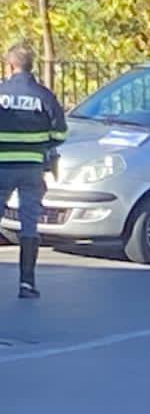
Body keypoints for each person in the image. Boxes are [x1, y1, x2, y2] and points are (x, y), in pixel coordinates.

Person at [0, 42, 67, 298]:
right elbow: (60, 132)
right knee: (29, 224)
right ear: (31, 66)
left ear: (10, 66)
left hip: (2, 167)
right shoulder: (43, 96)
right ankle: (27, 283)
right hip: (31, 168)